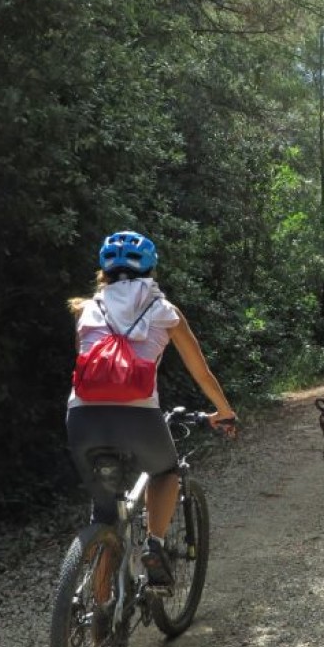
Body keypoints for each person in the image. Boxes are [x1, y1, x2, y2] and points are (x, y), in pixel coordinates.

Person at [66, 230, 237, 587]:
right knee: (165, 472)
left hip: (82, 417)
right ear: (151, 269)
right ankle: (154, 546)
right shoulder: (165, 311)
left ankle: (98, 619)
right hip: (138, 414)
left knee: (106, 513)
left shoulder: (85, 309)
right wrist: (224, 411)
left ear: (103, 272)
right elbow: (201, 373)